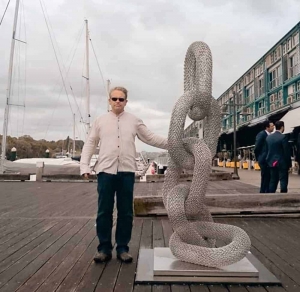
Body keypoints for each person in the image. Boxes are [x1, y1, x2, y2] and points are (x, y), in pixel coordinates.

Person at [80, 87, 168, 263]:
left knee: (126, 212)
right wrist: (84, 166)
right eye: (114, 99)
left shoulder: (134, 121)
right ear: (109, 100)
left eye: (121, 99)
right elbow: (90, 143)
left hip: (126, 171)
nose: (117, 102)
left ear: (126, 102)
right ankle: (104, 248)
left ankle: (122, 248)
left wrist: (173, 143)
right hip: (105, 171)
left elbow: (150, 138)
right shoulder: (100, 121)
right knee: (104, 211)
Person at [266, 121, 292, 193]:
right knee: (283, 180)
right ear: (282, 127)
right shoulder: (283, 137)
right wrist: (289, 164)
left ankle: (271, 195)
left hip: (272, 162)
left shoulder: (268, 138)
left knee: (273, 180)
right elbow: (286, 152)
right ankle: (283, 196)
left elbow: (267, 150)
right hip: (282, 163)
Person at [254, 120, 274, 193]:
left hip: (269, 159)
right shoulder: (262, 134)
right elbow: (257, 147)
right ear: (267, 127)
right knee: (265, 176)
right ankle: (263, 191)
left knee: (268, 176)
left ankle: (266, 191)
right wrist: (258, 157)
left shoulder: (270, 135)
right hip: (263, 159)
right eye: (272, 126)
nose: (273, 127)